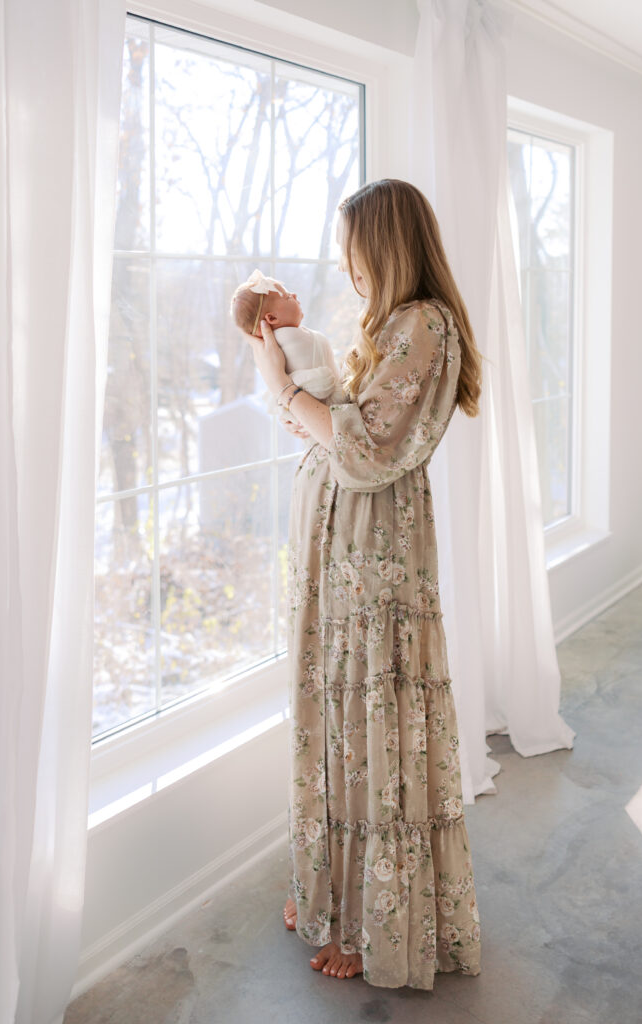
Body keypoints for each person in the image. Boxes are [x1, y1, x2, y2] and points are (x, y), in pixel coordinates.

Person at [244, 178, 483, 990]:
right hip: (345, 543)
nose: (347, 266)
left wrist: (284, 385)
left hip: (372, 545)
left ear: (382, 245)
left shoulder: (422, 324)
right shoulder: (392, 324)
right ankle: (332, 893)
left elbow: (368, 450)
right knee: (343, 711)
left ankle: (371, 922)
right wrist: (283, 352)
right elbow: (334, 419)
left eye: (352, 250)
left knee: (369, 719)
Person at [231, 269, 345, 430]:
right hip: (329, 412)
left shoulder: (280, 344)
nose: (295, 295)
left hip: (321, 417)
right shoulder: (287, 339)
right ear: (272, 318)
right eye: (288, 297)